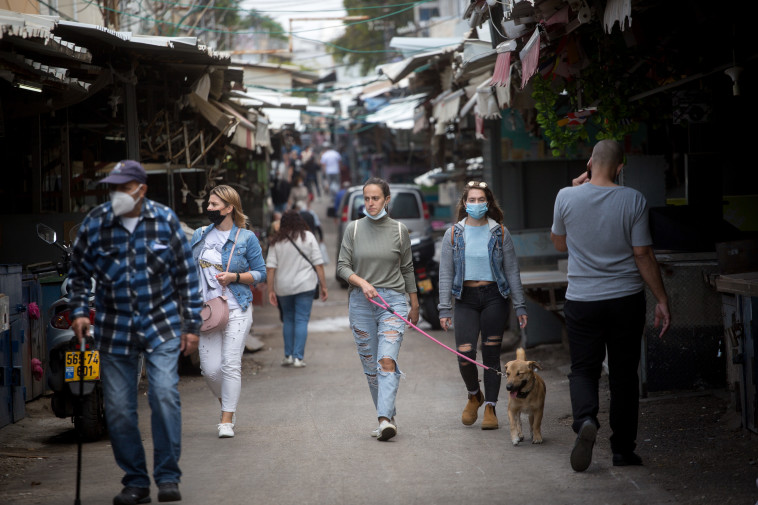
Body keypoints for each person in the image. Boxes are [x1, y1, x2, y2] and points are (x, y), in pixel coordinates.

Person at [68, 160, 202, 505]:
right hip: (115, 327)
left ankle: (168, 477)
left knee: (163, 395)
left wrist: (191, 326)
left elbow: (187, 275)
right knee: (118, 408)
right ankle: (136, 482)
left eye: (123, 188)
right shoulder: (96, 222)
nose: (116, 194)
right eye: (113, 187)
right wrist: (81, 311)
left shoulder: (164, 220)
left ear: (141, 190)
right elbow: (80, 273)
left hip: (162, 324)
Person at [550, 139, 671, 472]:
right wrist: (661, 297)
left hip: (582, 300)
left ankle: (586, 418)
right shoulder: (632, 199)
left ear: (590, 162)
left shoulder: (565, 196)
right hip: (625, 300)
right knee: (623, 376)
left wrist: (574, 193)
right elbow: (643, 254)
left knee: (584, 369)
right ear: (621, 168)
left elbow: (560, 244)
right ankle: (622, 450)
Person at [437, 180, 528, 431]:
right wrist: (444, 308)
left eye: (480, 200)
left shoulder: (499, 232)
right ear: (464, 204)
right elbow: (445, 273)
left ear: (488, 203)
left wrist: (519, 305)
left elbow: (512, 271)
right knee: (465, 354)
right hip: (464, 298)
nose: (476, 204)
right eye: (471, 200)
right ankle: (473, 394)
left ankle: (490, 406)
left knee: (490, 355)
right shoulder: (453, 233)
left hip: (494, 298)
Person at [337, 177, 419, 441]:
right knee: (372, 368)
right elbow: (342, 267)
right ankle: (388, 415)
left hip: (392, 303)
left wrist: (414, 303)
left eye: (375, 198)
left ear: (386, 200)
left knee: (386, 360)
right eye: (367, 198)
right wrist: (361, 282)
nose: (370, 203)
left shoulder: (399, 230)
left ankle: (383, 419)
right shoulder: (354, 229)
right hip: (361, 303)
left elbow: (407, 268)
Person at [190, 185, 266, 439]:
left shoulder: (246, 238)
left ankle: (226, 420)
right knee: (210, 370)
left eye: (214, 205)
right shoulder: (200, 235)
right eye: (209, 204)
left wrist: (234, 276)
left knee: (230, 364)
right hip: (208, 311)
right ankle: (228, 402)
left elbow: (260, 273)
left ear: (229, 208)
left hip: (237, 308)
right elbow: (188, 271)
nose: (208, 208)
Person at [266, 210, 328, 367]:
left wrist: (270, 290)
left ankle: (288, 356)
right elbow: (318, 264)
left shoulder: (276, 241)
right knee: (301, 320)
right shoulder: (308, 237)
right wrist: (323, 286)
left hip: (283, 287)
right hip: (305, 285)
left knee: (288, 320)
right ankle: (298, 358)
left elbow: (270, 268)